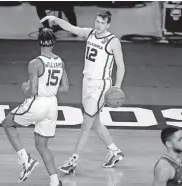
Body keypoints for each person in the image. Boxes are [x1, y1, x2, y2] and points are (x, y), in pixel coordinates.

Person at [40, 9, 125, 174]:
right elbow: (71, 28)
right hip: (86, 82)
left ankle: (73, 161)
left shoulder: (113, 41)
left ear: (108, 24)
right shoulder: (90, 33)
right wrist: (55, 20)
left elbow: (120, 65)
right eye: (97, 22)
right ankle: (115, 151)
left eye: (102, 23)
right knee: (96, 122)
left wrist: (117, 86)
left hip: (101, 86)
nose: (99, 25)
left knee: (86, 123)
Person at [1, 28, 69, 186]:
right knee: (42, 145)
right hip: (52, 103)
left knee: (7, 123)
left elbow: (32, 91)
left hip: (38, 102)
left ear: (39, 42)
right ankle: (54, 182)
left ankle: (26, 160)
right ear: (54, 43)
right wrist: (48, 89)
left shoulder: (35, 63)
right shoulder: (60, 62)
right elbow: (65, 88)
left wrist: (25, 88)